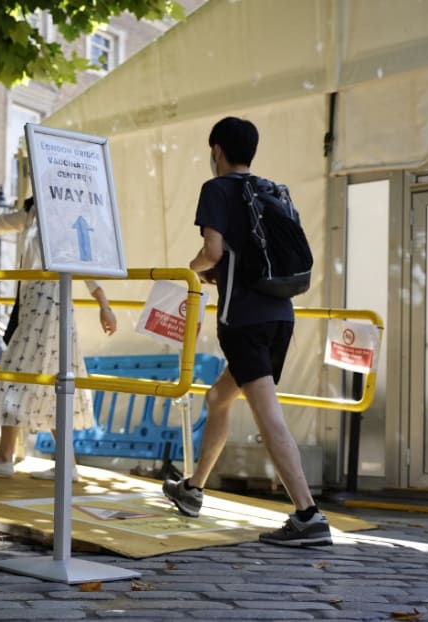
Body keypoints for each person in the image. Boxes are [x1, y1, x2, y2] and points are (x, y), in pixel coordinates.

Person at [162, 116, 332, 547]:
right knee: (218, 398)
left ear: (217, 150)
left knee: (267, 414)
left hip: (244, 321)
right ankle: (193, 489)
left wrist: (191, 270)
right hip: (280, 315)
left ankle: (308, 515)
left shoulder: (216, 189)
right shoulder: (269, 189)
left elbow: (212, 250)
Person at [0, 197, 117, 480]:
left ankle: (5, 456)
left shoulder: (60, 215)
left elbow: (83, 260)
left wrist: (104, 305)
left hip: (47, 301)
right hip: (39, 301)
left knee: (14, 373)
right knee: (51, 381)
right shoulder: (33, 213)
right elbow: (1, 223)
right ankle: (66, 464)